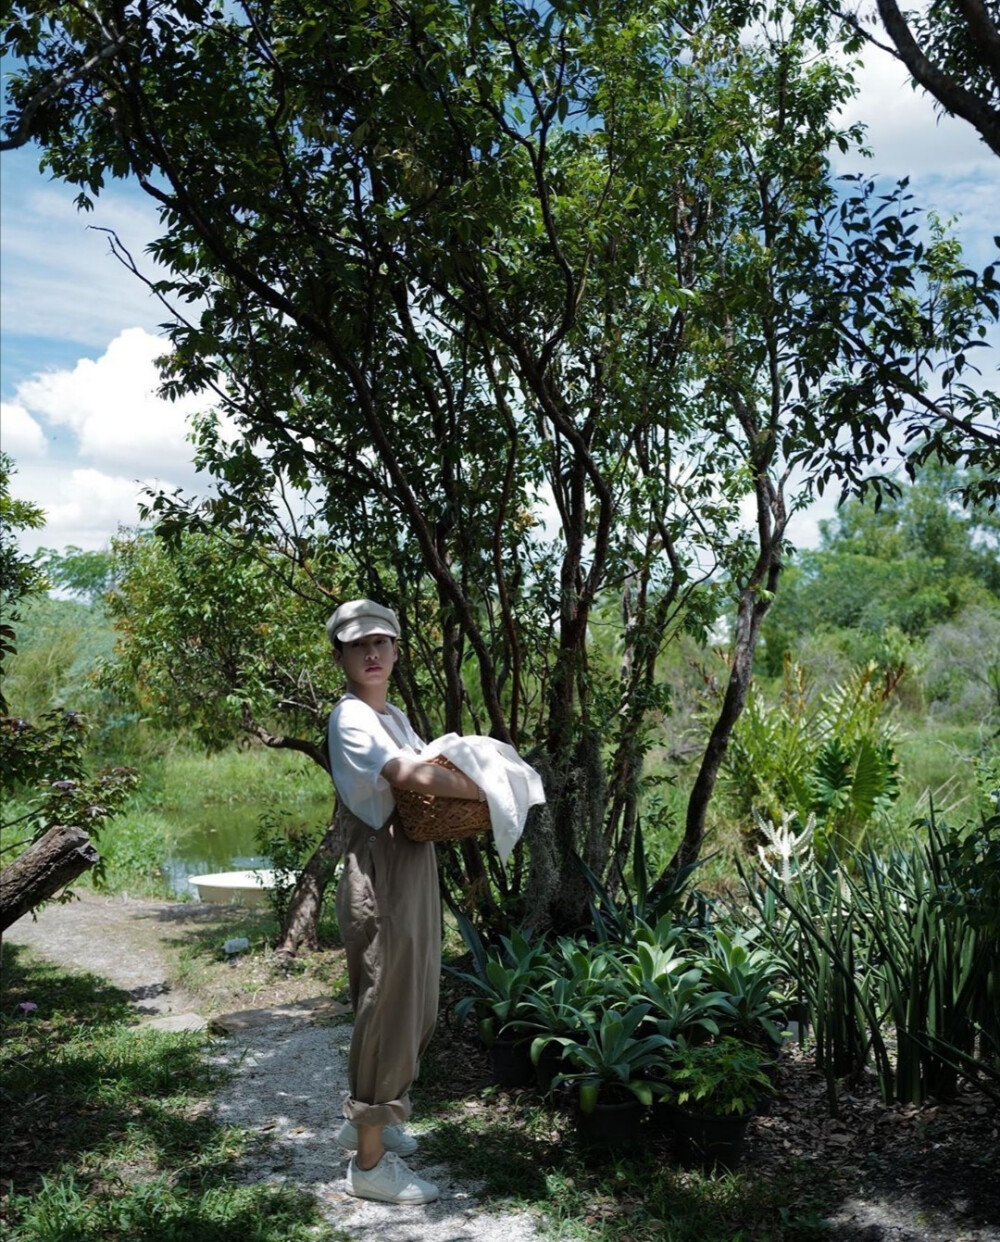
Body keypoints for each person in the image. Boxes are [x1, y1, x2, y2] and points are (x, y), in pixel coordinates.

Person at [325, 598, 484, 1206]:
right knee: (390, 1003)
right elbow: (413, 777)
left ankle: (371, 1121)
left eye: (381, 643)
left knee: (413, 999)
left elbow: (425, 764)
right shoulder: (352, 719)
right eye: (357, 644)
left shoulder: (389, 713)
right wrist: (483, 789)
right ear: (340, 655)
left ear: (395, 651)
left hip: (410, 855)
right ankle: (368, 1164)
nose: (371, 653)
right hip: (384, 862)